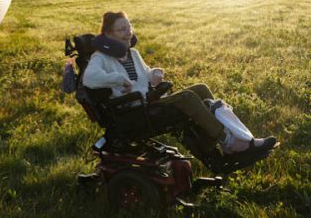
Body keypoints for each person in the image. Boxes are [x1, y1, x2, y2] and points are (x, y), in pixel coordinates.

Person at [82, 11, 277, 155]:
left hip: (148, 100)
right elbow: (89, 79)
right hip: (133, 111)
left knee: (201, 89)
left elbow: (145, 76)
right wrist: (118, 79)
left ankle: (232, 139)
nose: (128, 32)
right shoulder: (101, 57)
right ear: (108, 34)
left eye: (129, 27)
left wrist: (154, 74)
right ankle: (228, 140)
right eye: (121, 29)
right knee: (187, 98)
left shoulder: (133, 53)